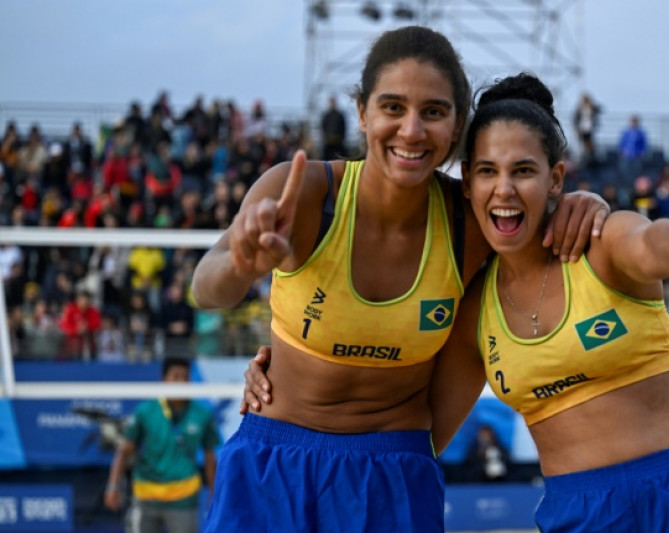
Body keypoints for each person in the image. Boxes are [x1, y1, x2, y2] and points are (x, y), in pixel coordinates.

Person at [248, 72, 669, 532]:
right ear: (467, 183)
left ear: (555, 178)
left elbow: (653, 245)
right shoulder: (473, 308)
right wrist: (291, 384)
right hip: (577, 510)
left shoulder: (601, 244)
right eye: (488, 171)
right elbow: (416, 429)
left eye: (523, 170)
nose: (505, 189)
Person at [192, 26, 608, 532]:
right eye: (393, 108)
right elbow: (205, 288)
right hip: (274, 462)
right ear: (362, 111)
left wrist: (587, 203)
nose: (411, 130)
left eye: (433, 112)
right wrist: (241, 265)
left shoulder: (471, 221)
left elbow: (540, 204)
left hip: (394, 476)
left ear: (456, 127)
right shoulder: (303, 192)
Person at [104, 357, 220, 533]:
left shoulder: (202, 414)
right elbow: (124, 451)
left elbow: (210, 457)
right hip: (146, 496)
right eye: (175, 376)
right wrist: (113, 485)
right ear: (164, 380)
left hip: (183, 499)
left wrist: (215, 493)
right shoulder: (146, 411)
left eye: (185, 377)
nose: (181, 382)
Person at [320, 95, 347, 160]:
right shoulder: (326, 116)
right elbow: (323, 128)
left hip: (339, 145)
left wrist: (339, 138)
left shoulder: (339, 115)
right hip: (328, 145)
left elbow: (343, 128)